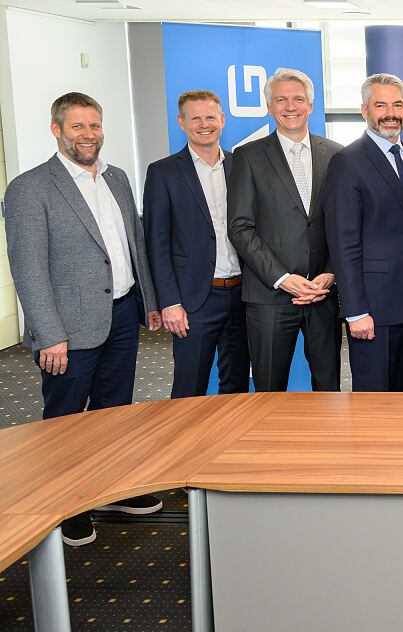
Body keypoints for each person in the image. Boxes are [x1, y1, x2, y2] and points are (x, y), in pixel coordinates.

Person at [5, 92, 164, 546]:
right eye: (78, 127)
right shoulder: (29, 189)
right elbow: (28, 268)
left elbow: (132, 243)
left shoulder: (116, 178)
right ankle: (63, 505)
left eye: (94, 126)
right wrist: (48, 334)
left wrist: (147, 299)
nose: (88, 135)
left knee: (114, 414)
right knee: (65, 421)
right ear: (56, 130)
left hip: (120, 315)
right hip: (67, 330)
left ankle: (109, 490)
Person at [228, 67, 343, 392]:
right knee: (268, 389)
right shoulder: (248, 156)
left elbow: (343, 224)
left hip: (323, 293)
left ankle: (328, 444)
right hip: (269, 296)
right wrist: (282, 278)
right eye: (281, 100)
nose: (290, 106)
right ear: (269, 106)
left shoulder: (335, 154)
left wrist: (332, 272)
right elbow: (239, 228)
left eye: (298, 99)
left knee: (329, 386)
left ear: (310, 104)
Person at [323, 74, 403, 392]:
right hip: (373, 311)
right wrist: (355, 311)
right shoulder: (347, 162)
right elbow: (343, 244)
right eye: (381, 105)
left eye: (397, 104)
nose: (391, 112)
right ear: (364, 110)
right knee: (375, 406)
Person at [143, 89, 250, 399]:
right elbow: (157, 244)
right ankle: (184, 446)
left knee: (237, 385)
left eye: (211, 117)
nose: (205, 124)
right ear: (181, 122)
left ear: (222, 120)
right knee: (190, 388)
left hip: (243, 295)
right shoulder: (163, 172)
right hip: (194, 300)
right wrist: (169, 303)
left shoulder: (241, 165)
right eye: (195, 118)